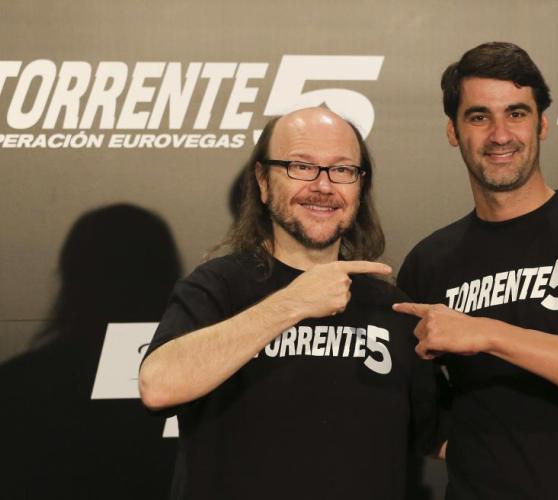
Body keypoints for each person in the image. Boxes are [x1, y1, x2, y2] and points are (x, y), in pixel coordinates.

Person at [394, 42, 558, 499]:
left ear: (541, 124)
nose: (500, 134)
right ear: (453, 131)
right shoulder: (428, 262)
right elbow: (416, 409)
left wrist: (487, 333)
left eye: (516, 114)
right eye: (479, 117)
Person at [139, 107, 438, 500]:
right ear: (263, 181)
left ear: (360, 186)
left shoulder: (392, 308)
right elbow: (158, 385)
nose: (323, 186)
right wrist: (292, 302)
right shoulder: (217, 287)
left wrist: (490, 338)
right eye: (301, 166)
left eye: (342, 169)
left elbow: (445, 437)